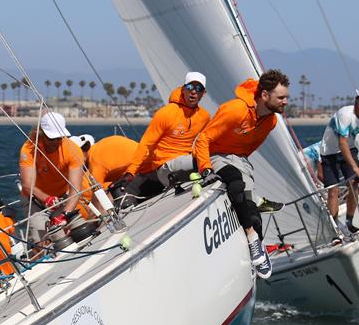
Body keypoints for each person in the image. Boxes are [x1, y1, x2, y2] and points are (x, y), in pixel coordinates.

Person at [192, 69, 290, 279]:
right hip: (215, 155)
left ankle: (254, 256)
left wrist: (243, 166)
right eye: (281, 97)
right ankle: (252, 238)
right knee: (235, 183)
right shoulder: (235, 110)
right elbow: (202, 140)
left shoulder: (270, 121)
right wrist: (206, 168)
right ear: (264, 95)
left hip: (239, 159)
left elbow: (247, 147)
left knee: (253, 214)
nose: (285, 102)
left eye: (285, 97)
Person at [118, 72, 211, 204]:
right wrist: (130, 172)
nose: (194, 92)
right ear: (183, 89)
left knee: (213, 158)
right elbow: (145, 144)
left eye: (198, 89)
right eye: (190, 87)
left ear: (203, 93)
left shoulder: (204, 117)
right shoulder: (166, 113)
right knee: (204, 163)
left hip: (185, 163)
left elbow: (208, 141)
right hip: (164, 169)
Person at [19, 112, 88, 241]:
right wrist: (47, 199)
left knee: (80, 231)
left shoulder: (72, 150)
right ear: (41, 134)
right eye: (52, 138)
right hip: (34, 201)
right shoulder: (28, 149)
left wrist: (64, 214)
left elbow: (76, 188)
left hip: (61, 199)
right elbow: (28, 185)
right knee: (39, 239)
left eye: (59, 137)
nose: (56, 141)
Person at [319, 86, 359, 236]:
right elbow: (341, 143)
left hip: (349, 149)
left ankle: (349, 222)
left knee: (354, 183)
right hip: (329, 152)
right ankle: (334, 230)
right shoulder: (345, 114)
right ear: (356, 98)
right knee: (334, 190)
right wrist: (355, 166)